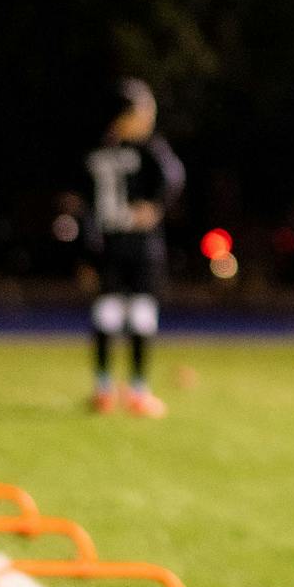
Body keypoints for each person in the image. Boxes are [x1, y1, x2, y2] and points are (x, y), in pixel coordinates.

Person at [82, 79, 186, 418]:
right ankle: (138, 392)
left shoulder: (97, 150)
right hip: (139, 247)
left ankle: (103, 389)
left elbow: (82, 202)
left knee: (106, 313)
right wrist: (154, 206)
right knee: (140, 314)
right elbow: (173, 176)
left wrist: (86, 249)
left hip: (107, 244)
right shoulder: (147, 149)